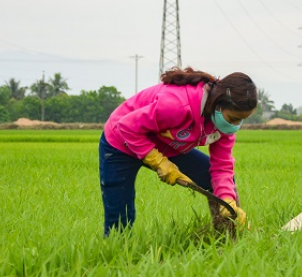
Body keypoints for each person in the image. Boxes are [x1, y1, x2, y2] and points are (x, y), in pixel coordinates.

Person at [99, 66, 258, 236]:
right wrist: (158, 161)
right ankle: (116, 251)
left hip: (166, 144)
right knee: (120, 213)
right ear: (218, 103)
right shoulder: (177, 105)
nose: (235, 125)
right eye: (233, 118)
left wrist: (227, 199)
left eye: (241, 120)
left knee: (217, 183)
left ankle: (227, 239)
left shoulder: (223, 127)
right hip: (120, 142)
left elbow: (222, 167)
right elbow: (127, 127)